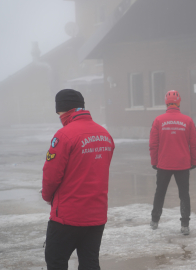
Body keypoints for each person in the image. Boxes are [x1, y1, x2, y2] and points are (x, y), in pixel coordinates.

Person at [41, 89, 114, 270]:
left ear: (62, 110)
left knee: (56, 260)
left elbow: (51, 176)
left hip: (67, 216)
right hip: (96, 214)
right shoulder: (105, 134)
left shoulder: (64, 135)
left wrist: (46, 196)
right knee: (90, 263)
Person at [149, 90, 196, 235]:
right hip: (183, 164)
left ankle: (155, 220)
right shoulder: (188, 120)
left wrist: (154, 162)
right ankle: (184, 224)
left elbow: (153, 144)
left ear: (166, 102)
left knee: (160, 193)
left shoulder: (158, 121)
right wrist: (193, 161)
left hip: (163, 164)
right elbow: (194, 144)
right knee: (184, 194)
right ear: (179, 102)